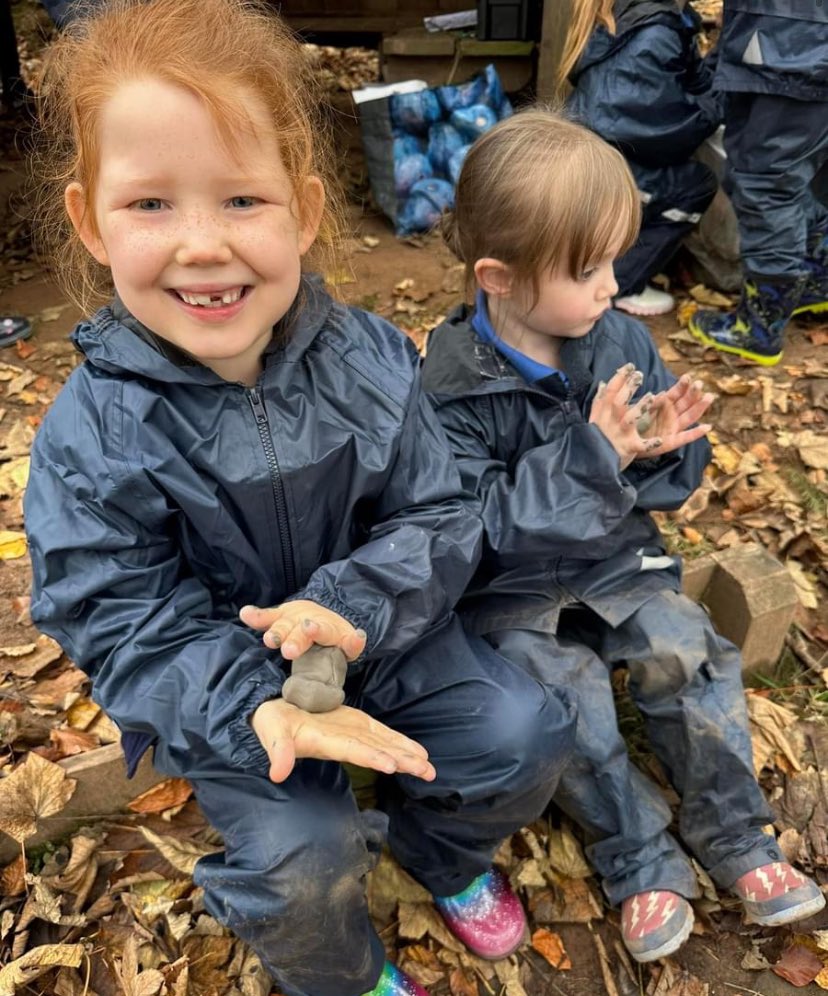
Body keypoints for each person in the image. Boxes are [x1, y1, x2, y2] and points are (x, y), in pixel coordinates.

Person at [22, 4, 577, 996]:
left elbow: (439, 512)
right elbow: (122, 619)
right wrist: (256, 708)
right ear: (89, 223)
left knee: (525, 733)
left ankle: (441, 856)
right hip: (233, 689)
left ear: (305, 211)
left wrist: (353, 610)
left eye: (242, 200)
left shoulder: (369, 356)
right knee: (302, 858)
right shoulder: (91, 434)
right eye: (150, 204)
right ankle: (342, 972)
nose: (201, 245)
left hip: (386, 634)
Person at [421, 108, 825, 965]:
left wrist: (668, 445)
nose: (614, 283)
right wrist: (595, 454)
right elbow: (477, 527)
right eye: (589, 268)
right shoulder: (450, 387)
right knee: (567, 696)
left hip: (614, 559)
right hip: (514, 591)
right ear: (497, 275)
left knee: (689, 649)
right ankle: (637, 856)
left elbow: (665, 481)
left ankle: (738, 836)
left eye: (614, 258)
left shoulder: (616, 336)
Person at [689, 0, 828, 365]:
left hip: (790, 45)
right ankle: (813, 281)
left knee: (767, 181)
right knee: (810, 173)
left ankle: (760, 327)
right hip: (796, 40)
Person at [561, 0, 721, 317]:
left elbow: (696, 81)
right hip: (606, 173)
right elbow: (671, 132)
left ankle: (601, 261)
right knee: (695, 184)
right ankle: (621, 284)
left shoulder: (635, 16)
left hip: (586, 160)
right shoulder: (655, 32)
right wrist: (722, 104)